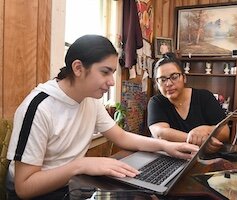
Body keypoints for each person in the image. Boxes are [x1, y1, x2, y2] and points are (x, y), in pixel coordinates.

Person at [6, 35, 198, 200]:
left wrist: (166, 146)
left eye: (113, 73)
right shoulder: (39, 107)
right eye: (105, 72)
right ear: (78, 68)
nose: (112, 82)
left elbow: (122, 137)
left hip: (71, 185)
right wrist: (80, 165)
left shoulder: (89, 100)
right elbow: (24, 188)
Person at [147, 52, 230, 153]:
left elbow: (225, 132)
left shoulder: (205, 97)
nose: (168, 84)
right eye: (162, 79)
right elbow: (160, 133)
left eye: (174, 77)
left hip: (202, 159)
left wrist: (206, 130)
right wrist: (199, 140)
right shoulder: (156, 102)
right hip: (169, 159)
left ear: (184, 77)